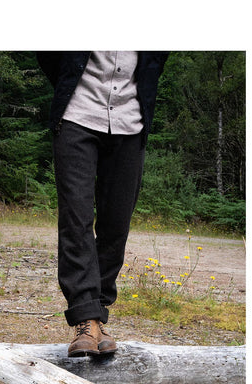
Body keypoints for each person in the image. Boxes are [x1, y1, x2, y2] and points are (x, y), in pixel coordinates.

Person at [37, 51, 169, 357]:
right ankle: (86, 320)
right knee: (76, 219)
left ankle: (95, 313)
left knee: (116, 224)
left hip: (130, 121)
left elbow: (156, 60)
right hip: (77, 116)